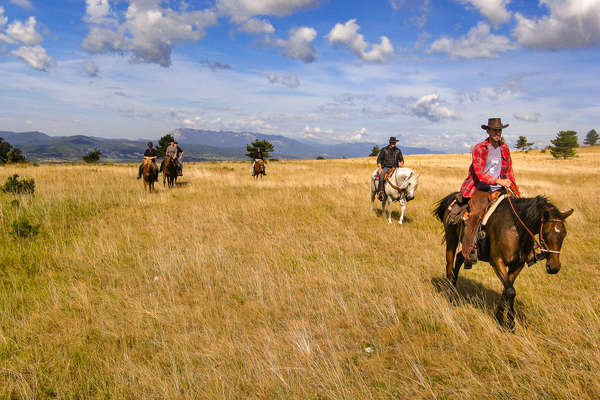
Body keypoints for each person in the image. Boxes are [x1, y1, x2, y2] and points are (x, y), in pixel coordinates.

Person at [459, 118, 519, 267]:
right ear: (488, 131)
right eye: (494, 130)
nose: (498, 133)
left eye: (500, 130)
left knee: (519, 210)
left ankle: (526, 251)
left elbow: (509, 171)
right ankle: (469, 251)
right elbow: (479, 172)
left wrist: (516, 190)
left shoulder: (504, 148)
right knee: (475, 215)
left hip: (501, 188)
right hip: (481, 187)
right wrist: (498, 181)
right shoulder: (480, 148)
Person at [376, 136, 404, 200]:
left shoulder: (398, 150)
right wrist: (380, 168)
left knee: (402, 178)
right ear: (390, 142)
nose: (393, 143)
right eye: (392, 142)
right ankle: (380, 192)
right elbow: (379, 160)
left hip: (395, 168)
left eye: (394, 142)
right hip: (386, 167)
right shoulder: (384, 149)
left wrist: (401, 163)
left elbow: (401, 160)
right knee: (381, 176)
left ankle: (402, 193)